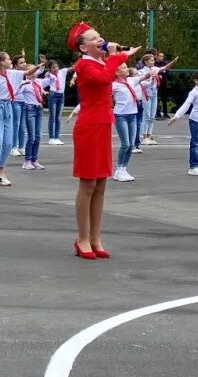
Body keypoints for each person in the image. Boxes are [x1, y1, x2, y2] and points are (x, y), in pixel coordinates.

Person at [66, 21, 140, 260]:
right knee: (87, 184)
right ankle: (83, 238)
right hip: (89, 127)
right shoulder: (84, 65)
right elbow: (105, 78)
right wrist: (115, 56)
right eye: (93, 38)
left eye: (100, 36)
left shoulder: (98, 62)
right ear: (83, 48)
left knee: (100, 184)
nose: (100, 40)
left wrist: (118, 56)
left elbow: (109, 71)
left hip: (103, 125)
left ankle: (96, 237)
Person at [0, 53, 43, 186]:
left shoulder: (12, 74)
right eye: (7, 59)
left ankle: (0, 173)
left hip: (8, 106)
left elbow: (28, 71)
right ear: (0, 62)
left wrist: (39, 67)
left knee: (7, 143)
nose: (10, 60)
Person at [112, 63, 153, 182]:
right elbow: (101, 95)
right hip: (120, 115)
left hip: (132, 115)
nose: (127, 69)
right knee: (125, 143)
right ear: (116, 72)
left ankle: (124, 168)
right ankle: (119, 169)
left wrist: (150, 73)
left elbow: (144, 77)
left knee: (131, 144)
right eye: (124, 68)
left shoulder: (131, 80)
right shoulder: (114, 85)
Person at [138, 53, 178, 145]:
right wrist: (149, 79)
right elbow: (140, 82)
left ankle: (149, 135)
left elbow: (164, 68)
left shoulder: (155, 69)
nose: (153, 62)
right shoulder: (141, 71)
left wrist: (173, 62)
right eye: (151, 60)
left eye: (153, 60)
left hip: (154, 93)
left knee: (152, 116)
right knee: (146, 115)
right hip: (146, 94)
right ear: (145, 61)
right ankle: (144, 136)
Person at [18, 66, 52, 170]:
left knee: (38, 137)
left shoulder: (39, 82)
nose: (34, 73)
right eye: (32, 71)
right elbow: (15, 92)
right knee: (31, 136)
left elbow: (51, 81)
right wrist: (21, 85)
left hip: (39, 109)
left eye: (35, 71)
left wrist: (48, 74)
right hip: (30, 109)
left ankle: (34, 160)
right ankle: (27, 161)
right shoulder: (25, 83)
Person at [46, 61, 73, 145]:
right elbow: (44, 80)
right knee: (52, 116)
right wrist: (47, 74)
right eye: (53, 68)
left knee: (58, 117)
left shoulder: (62, 71)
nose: (55, 69)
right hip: (53, 95)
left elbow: (72, 68)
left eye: (56, 67)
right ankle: (51, 138)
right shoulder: (49, 75)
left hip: (61, 95)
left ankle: (57, 137)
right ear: (50, 69)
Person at [9, 54, 29, 157]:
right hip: (15, 101)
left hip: (23, 101)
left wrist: (41, 66)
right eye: (21, 63)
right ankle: (13, 147)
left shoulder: (24, 74)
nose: (24, 64)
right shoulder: (14, 73)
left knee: (22, 125)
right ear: (15, 65)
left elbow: (35, 72)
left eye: (24, 62)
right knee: (15, 124)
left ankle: (21, 147)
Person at [154, 51, 171, 119]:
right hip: (156, 82)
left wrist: (163, 72)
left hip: (163, 82)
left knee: (164, 98)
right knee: (156, 97)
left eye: (162, 56)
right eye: (160, 56)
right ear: (157, 56)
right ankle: (157, 113)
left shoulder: (164, 64)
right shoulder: (154, 64)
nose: (162, 57)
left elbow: (167, 72)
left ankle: (165, 113)